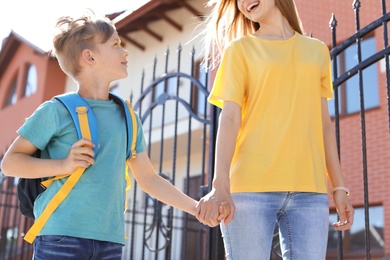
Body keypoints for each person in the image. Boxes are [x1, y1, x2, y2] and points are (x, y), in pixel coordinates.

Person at [1, 10, 228, 260]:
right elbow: (10, 164)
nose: (125, 52)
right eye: (116, 45)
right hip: (60, 237)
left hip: (110, 241)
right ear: (89, 57)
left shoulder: (128, 116)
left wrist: (195, 208)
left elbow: (149, 179)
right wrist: (64, 164)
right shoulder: (55, 111)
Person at [195, 0, 354, 259]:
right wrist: (220, 184)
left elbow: (324, 125)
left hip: (309, 192)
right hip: (249, 189)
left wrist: (339, 187)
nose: (244, 3)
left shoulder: (316, 52)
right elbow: (230, 118)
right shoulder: (240, 50)